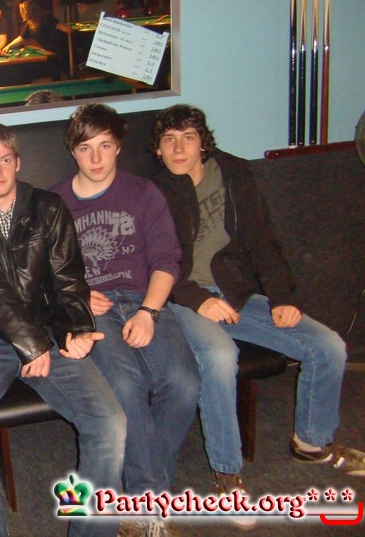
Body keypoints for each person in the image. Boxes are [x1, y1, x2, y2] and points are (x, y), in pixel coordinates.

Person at [150, 105, 364, 503]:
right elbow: (153, 263)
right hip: (181, 300)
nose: (178, 149)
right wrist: (199, 300)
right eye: (169, 140)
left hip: (235, 294)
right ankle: (226, 471)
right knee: (219, 357)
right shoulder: (151, 192)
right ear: (158, 150)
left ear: (203, 144)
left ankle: (311, 442)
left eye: (188, 138)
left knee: (328, 346)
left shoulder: (235, 175)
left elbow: (263, 241)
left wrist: (283, 297)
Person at [0, 121, 125, 537]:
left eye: (5, 160)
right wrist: (30, 345)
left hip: (48, 333)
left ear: (18, 162)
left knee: (110, 422)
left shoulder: (48, 206)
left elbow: (69, 277)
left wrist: (77, 328)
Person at [51, 104, 199, 536]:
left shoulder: (142, 193)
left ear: (118, 146)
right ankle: (150, 502)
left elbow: (166, 260)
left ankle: (141, 492)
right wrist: (77, 294)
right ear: (73, 151)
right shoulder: (55, 203)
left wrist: (149, 312)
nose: (96, 158)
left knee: (184, 382)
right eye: (85, 148)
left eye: (105, 146)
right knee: (126, 386)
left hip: (143, 298)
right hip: (92, 309)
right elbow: (45, 270)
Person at [3, 0, 71, 79]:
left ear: (27, 11)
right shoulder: (30, 24)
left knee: (68, 73)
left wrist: (67, 29)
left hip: (62, 50)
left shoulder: (46, 17)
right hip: (50, 52)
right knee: (56, 73)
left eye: (22, 11)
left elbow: (61, 27)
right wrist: (8, 46)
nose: (21, 14)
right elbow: (21, 38)